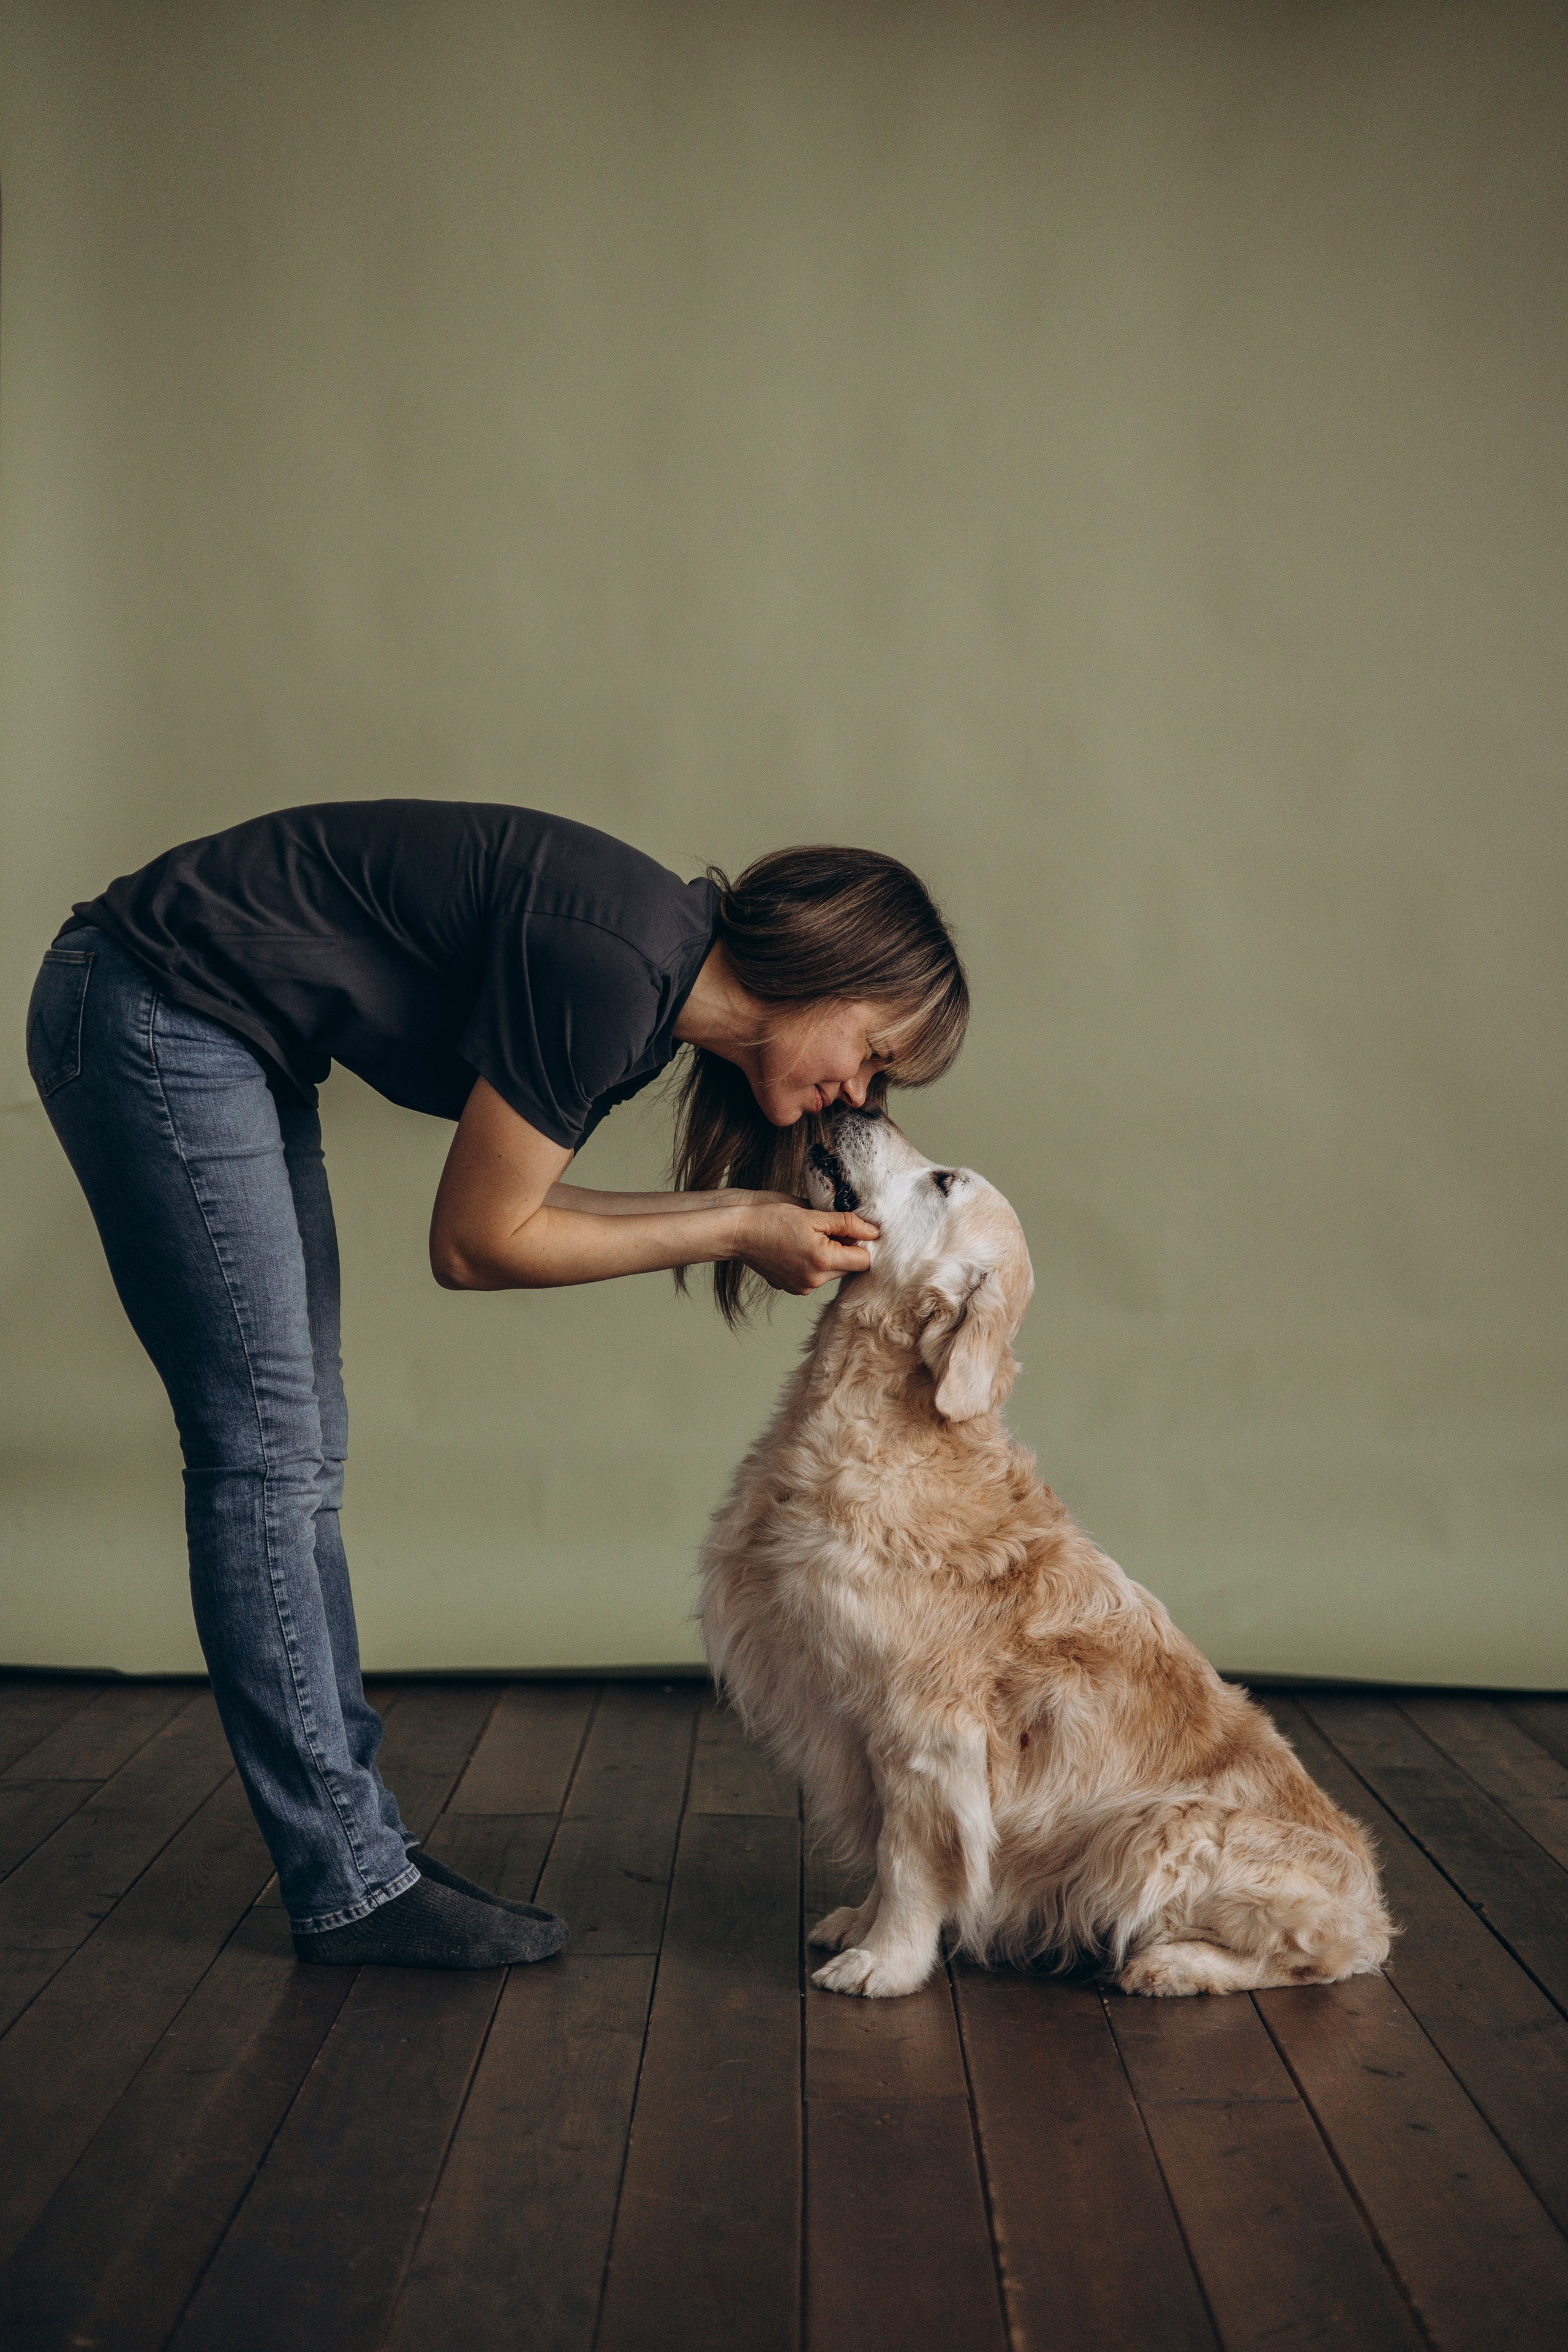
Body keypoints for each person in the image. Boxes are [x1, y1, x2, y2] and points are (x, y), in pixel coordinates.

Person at [24, 802, 968, 1970]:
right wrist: (736, 1225)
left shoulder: (647, 991)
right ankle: (351, 1880)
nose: (862, 1094)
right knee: (267, 1454)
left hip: (216, 1032)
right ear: (825, 968)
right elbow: (474, 1246)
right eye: (874, 1049)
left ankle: (357, 1854)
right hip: (152, 1005)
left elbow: (521, 1209)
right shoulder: (618, 969)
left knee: (293, 1451)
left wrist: (749, 1219)